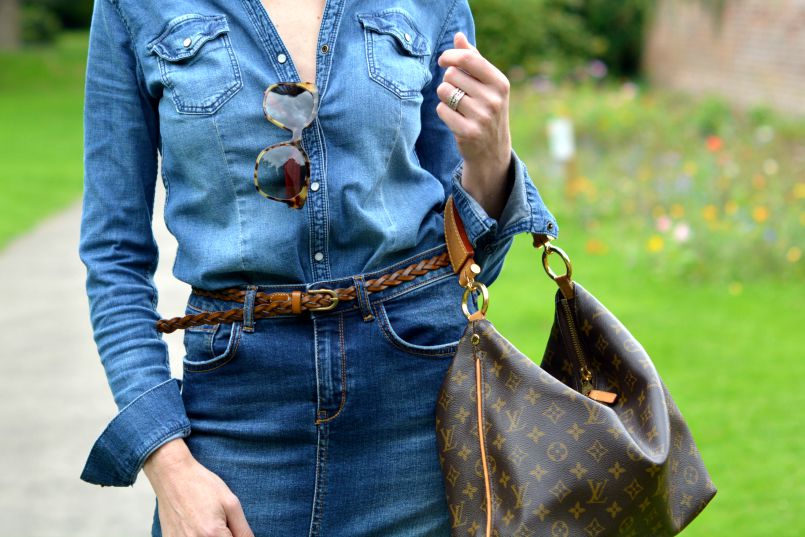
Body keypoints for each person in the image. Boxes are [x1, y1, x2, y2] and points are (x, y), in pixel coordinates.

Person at [77, 0, 559, 535]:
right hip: (238, 410)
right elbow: (115, 253)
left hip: (417, 406)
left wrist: (491, 159)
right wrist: (167, 464)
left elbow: (475, 266)